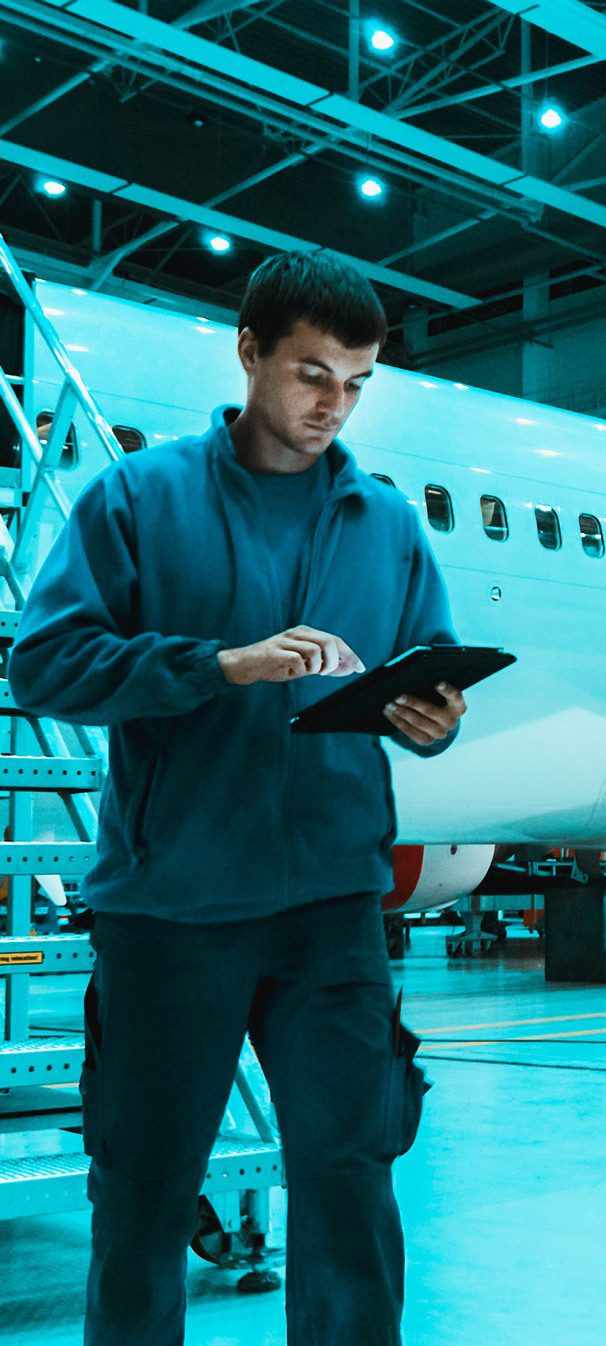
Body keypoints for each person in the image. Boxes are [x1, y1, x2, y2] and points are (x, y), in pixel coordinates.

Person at [8, 251, 466, 1346]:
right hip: (174, 909)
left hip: (333, 913)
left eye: (356, 381)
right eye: (313, 373)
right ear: (251, 350)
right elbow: (43, 665)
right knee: (144, 1195)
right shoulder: (137, 499)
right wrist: (219, 665)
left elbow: (432, 665)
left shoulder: (387, 526)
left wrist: (435, 717)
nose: (333, 404)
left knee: (352, 1188)